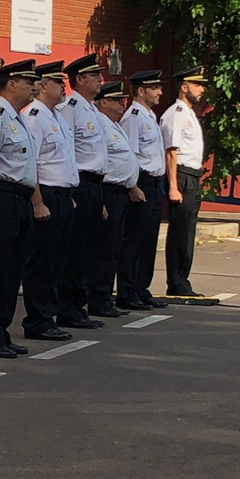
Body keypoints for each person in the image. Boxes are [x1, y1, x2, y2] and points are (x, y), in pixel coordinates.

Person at [0, 59, 39, 359]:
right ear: (11, 83)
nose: (34, 87)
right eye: (29, 81)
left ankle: (1, 332)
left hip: (21, 198)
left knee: (13, 270)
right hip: (3, 197)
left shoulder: (18, 117)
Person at [21, 61, 78, 341]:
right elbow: (30, 163)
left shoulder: (57, 116)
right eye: (58, 83)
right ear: (42, 86)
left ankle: (49, 316)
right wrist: (37, 202)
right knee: (42, 262)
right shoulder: (34, 117)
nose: (63, 87)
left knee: (58, 261)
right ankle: (37, 319)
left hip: (63, 196)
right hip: (46, 197)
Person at [57, 54, 116, 327]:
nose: (100, 80)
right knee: (75, 251)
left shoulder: (90, 107)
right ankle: (69, 308)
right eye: (95, 76)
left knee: (90, 248)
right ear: (79, 80)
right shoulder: (71, 107)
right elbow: (67, 149)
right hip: (79, 182)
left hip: (94, 184)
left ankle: (80, 305)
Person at [88, 82, 143, 316]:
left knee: (114, 247)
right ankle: (98, 298)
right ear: (103, 102)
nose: (123, 104)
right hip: (107, 191)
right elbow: (100, 162)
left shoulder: (113, 125)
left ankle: (105, 296)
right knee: (104, 248)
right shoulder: (100, 124)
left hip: (120, 191)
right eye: (117, 100)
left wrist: (132, 184)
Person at [117, 70, 168, 310]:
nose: (160, 92)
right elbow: (131, 155)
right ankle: (127, 291)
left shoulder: (149, 115)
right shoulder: (133, 117)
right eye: (154, 87)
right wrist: (133, 186)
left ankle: (141, 288)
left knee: (148, 240)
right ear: (140, 90)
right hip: (141, 182)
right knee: (134, 240)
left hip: (156, 183)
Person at [161, 66, 208, 297]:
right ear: (184, 87)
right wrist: (173, 186)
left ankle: (182, 281)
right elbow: (171, 151)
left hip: (192, 176)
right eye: (197, 84)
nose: (202, 89)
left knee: (188, 231)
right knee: (180, 232)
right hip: (180, 176)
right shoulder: (176, 113)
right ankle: (177, 283)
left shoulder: (189, 113)